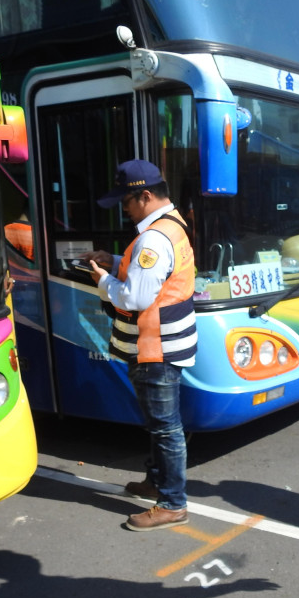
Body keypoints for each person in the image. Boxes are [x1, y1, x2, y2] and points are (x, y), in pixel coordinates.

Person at [81, 159, 197, 532]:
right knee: (159, 425)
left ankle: (173, 504)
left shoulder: (152, 238)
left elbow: (134, 297)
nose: (124, 208)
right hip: (162, 343)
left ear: (145, 195)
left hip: (155, 347)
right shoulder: (172, 225)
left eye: (127, 201)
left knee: (165, 428)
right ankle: (157, 482)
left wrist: (103, 280)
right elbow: (153, 275)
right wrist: (115, 261)